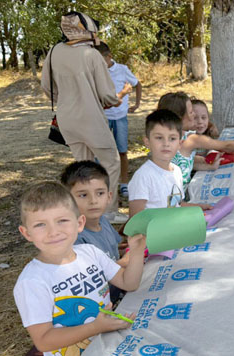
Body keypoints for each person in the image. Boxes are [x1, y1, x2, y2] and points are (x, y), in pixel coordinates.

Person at [13, 181, 146, 356]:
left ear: (79, 223)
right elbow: (44, 341)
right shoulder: (32, 282)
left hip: (108, 352)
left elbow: (128, 282)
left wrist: (137, 252)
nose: (53, 232)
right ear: (26, 233)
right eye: (40, 225)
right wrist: (96, 327)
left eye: (62, 221)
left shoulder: (90, 253)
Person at [40, 12, 128, 222]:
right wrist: (115, 99)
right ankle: (108, 211)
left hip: (66, 118)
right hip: (91, 117)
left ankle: (84, 211)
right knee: (111, 162)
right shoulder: (92, 55)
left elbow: (47, 87)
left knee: (82, 165)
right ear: (87, 29)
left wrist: (66, 98)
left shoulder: (54, 52)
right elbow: (107, 94)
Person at [157, 92, 234, 196]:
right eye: (191, 112)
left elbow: (186, 165)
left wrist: (209, 167)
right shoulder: (190, 140)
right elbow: (226, 146)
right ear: (178, 118)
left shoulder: (162, 140)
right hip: (175, 199)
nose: (194, 114)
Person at [61, 161, 128, 303]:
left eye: (100, 193)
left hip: (117, 292)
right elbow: (92, 278)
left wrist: (128, 249)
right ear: (68, 201)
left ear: (109, 197)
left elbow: (114, 249)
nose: (93, 201)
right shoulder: (75, 238)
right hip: (100, 306)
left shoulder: (103, 221)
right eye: (83, 195)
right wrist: (125, 262)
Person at [128, 109, 212, 217]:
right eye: (159, 138)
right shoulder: (143, 177)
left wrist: (198, 207)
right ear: (147, 142)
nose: (166, 144)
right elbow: (135, 221)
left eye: (172, 138)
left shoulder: (177, 171)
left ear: (180, 143)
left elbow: (176, 205)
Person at [95, 42, 142, 199]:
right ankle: (100, 184)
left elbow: (137, 84)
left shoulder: (122, 70)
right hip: (103, 117)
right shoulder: (95, 71)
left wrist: (136, 104)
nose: (100, 64)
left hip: (120, 117)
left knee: (122, 151)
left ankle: (124, 184)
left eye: (102, 60)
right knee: (101, 152)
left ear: (110, 56)